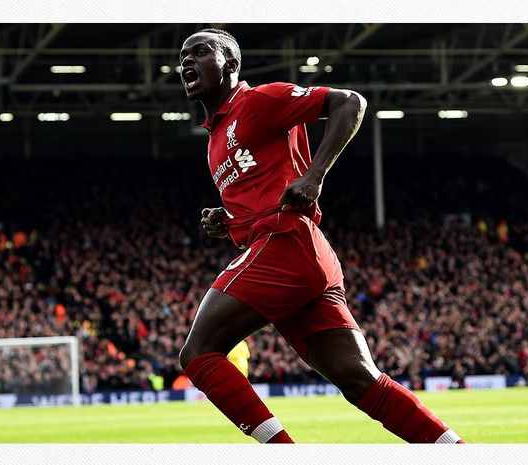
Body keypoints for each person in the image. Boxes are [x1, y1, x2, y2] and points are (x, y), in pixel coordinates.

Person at [177, 28, 464, 444]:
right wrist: (228, 220)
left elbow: (350, 102)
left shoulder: (258, 100)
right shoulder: (215, 141)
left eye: (201, 52)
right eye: (182, 56)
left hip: (286, 243)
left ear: (231, 65)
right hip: (298, 253)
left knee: (198, 352)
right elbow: (260, 194)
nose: (187, 61)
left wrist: (315, 176)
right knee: (361, 381)